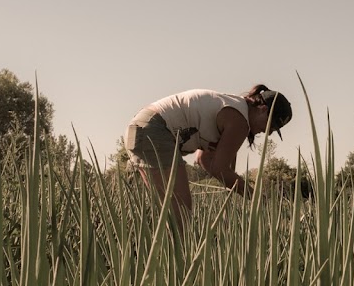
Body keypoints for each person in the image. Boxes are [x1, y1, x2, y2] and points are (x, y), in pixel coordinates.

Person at [124, 84, 292, 226]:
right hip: (155, 132)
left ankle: (165, 260)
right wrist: (258, 199)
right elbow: (220, 169)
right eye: (272, 125)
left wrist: (232, 181)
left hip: (142, 128)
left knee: (171, 215)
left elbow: (204, 160)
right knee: (181, 213)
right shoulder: (239, 121)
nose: (268, 132)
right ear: (263, 109)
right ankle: (178, 262)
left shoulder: (234, 107)